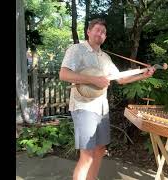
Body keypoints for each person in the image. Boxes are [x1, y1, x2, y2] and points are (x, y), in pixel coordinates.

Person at [59, 18, 155, 180]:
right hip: (84, 107)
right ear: (88, 31)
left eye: (103, 32)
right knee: (87, 153)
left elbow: (120, 79)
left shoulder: (105, 57)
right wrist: (95, 80)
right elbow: (64, 74)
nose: (100, 34)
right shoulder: (76, 50)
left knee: (100, 149)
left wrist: (142, 75)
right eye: (97, 30)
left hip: (102, 108)